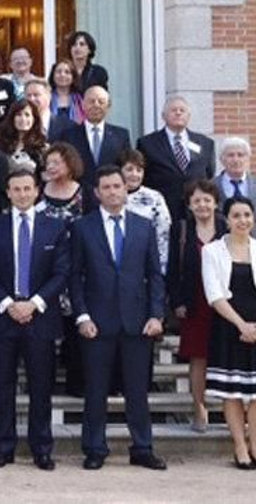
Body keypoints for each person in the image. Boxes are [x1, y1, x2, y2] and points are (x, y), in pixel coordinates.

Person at [71, 166, 168, 472]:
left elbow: (154, 274)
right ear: (97, 193)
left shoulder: (143, 226)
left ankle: (142, 447)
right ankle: (95, 448)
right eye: (106, 187)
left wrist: (156, 314)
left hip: (137, 322)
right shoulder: (82, 227)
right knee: (96, 390)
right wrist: (82, 315)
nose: (113, 191)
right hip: (97, 322)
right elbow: (74, 277)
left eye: (117, 186)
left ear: (126, 189)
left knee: (137, 391)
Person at [0, 170, 70, 471]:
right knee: (2, 387)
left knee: (41, 387)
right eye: (15, 189)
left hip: (40, 317)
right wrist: (8, 304)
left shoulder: (54, 228)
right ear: (7, 192)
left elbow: (61, 272)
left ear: (37, 191)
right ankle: (3, 448)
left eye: (27, 188)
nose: (21, 194)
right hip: (3, 317)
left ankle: (41, 448)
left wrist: (33, 303)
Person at [202, 195, 256, 470]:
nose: (243, 220)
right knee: (233, 391)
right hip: (229, 326)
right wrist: (242, 325)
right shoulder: (212, 251)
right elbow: (214, 295)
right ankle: (240, 447)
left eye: (247, 215)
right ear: (226, 219)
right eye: (236, 215)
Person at [171, 180, 226, 431]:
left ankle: (230, 408)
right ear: (190, 205)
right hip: (194, 301)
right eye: (197, 201)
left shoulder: (227, 228)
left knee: (227, 355)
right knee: (198, 357)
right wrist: (177, 301)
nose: (202, 205)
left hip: (225, 302)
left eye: (207, 200)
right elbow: (172, 268)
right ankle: (199, 408)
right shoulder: (181, 230)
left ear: (215, 203)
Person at [136, 95, 217, 222]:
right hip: (163, 211)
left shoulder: (205, 143)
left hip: (196, 212)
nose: (178, 113)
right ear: (163, 116)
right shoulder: (147, 143)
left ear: (188, 116)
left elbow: (209, 174)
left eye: (182, 110)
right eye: (173, 110)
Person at [56, 86, 128, 205]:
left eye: (101, 101)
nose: (96, 105)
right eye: (91, 101)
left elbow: (124, 167)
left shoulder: (121, 135)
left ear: (108, 106)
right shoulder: (68, 134)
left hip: (111, 198)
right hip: (77, 199)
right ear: (83, 105)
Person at [216, 137, 256, 243]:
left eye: (240, 155)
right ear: (222, 159)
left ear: (248, 159)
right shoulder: (211, 187)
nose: (236, 160)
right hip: (221, 249)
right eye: (230, 155)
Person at [120, 149, 173, 273]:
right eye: (129, 169)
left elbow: (163, 235)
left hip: (146, 265)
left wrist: (159, 270)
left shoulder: (155, 197)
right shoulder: (110, 195)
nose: (135, 174)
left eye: (139, 170)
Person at [0, 98, 47, 175]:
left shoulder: (42, 147)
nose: (23, 119)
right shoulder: (0, 144)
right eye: (19, 115)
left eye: (27, 115)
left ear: (34, 119)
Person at [39, 142, 85, 224]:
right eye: (47, 163)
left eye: (55, 163)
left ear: (70, 163)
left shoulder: (85, 193)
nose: (50, 167)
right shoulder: (39, 189)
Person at [46, 61, 85, 126]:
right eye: (58, 72)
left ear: (73, 77)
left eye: (67, 72)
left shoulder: (80, 100)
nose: (62, 75)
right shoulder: (46, 98)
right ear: (53, 75)